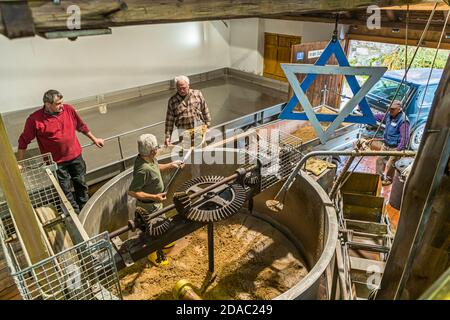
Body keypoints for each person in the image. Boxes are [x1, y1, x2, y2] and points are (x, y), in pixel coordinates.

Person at [18, 89, 104, 213]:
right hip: (57, 163)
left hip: (75, 156)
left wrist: (95, 139)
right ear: (47, 104)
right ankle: (74, 214)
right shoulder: (35, 120)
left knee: (81, 183)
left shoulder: (68, 110)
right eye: (58, 103)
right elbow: (23, 141)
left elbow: (81, 126)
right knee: (64, 189)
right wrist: (19, 162)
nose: (61, 105)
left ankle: (85, 210)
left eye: (62, 102)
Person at [128, 134, 184, 266]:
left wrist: (171, 164)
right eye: (156, 147)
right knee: (153, 234)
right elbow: (133, 191)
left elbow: (156, 168)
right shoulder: (143, 169)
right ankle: (154, 256)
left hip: (156, 205)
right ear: (152, 150)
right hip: (149, 208)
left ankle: (161, 246)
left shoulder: (148, 159)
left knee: (161, 228)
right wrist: (155, 197)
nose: (158, 149)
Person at [164, 75, 211, 148]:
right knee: (188, 155)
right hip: (184, 136)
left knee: (202, 152)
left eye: (184, 88)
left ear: (188, 85)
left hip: (199, 132)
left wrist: (208, 126)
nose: (182, 90)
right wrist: (168, 137)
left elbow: (205, 110)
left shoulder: (197, 94)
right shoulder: (172, 101)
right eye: (179, 89)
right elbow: (169, 121)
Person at [375, 100, 410, 186]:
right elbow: (381, 116)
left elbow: (405, 138)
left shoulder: (403, 121)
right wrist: (370, 116)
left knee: (391, 165)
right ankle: (379, 177)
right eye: (390, 109)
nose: (390, 110)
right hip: (386, 144)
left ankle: (389, 179)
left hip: (395, 147)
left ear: (399, 109)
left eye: (393, 109)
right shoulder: (389, 115)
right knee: (379, 160)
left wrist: (398, 150)